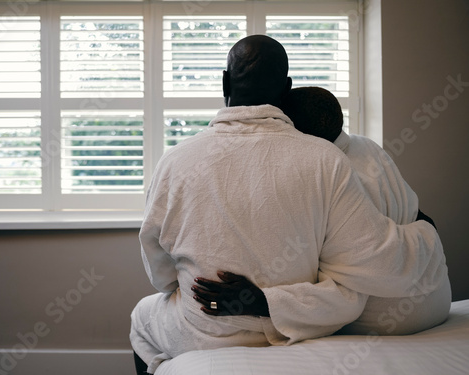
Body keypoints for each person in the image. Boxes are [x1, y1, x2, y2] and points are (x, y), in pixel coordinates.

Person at [130, 35, 447, 374]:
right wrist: (425, 234)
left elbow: (161, 276)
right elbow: (367, 265)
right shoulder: (326, 159)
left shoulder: (175, 162)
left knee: (142, 319)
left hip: (204, 328)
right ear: (287, 89)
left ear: (225, 82)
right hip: (295, 328)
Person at [279, 86, 451, 335]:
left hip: (388, 318)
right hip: (438, 299)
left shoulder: (325, 175)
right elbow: (415, 211)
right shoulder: (367, 146)